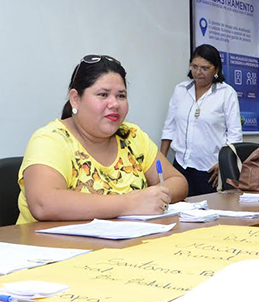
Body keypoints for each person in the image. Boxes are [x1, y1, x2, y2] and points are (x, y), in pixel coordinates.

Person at [18, 55, 187, 224]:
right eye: (103, 95)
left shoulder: (132, 136)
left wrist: (154, 197)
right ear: (75, 99)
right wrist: (130, 203)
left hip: (127, 244)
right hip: (54, 247)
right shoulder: (51, 140)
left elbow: (178, 182)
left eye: (121, 96)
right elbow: (43, 204)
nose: (114, 104)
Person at [160, 44, 242, 196]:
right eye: (194, 66)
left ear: (216, 70)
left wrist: (223, 165)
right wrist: (162, 158)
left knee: (209, 214)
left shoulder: (226, 93)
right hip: (180, 167)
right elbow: (169, 127)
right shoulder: (181, 90)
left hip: (210, 170)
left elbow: (235, 134)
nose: (198, 72)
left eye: (205, 68)